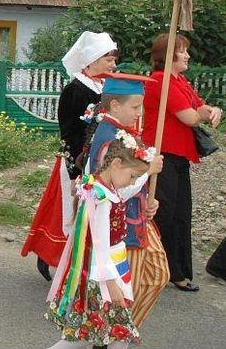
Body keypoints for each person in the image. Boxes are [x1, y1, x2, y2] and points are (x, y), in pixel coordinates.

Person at [22, 31, 117, 280]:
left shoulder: (107, 87)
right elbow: (69, 131)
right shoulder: (75, 90)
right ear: (92, 60)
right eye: (109, 59)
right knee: (67, 213)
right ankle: (52, 256)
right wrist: (80, 163)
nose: (113, 65)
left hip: (102, 161)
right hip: (78, 162)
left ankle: (85, 264)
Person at [45, 134, 153, 349]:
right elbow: (100, 246)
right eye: (132, 175)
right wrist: (112, 285)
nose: (132, 181)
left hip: (110, 270)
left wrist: (147, 173)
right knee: (105, 335)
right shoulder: (101, 198)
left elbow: (128, 190)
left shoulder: (104, 187)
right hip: (103, 276)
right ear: (116, 163)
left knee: (93, 336)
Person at [82, 73, 168, 329]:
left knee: (156, 275)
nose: (139, 112)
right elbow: (110, 190)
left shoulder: (120, 132)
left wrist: (147, 200)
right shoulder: (110, 138)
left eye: (141, 105)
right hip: (122, 227)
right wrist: (147, 173)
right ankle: (116, 332)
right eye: (135, 106)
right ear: (115, 106)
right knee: (133, 285)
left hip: (135, 217)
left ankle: (116, 330)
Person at [143, 33, 222, 293]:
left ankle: (175, 270)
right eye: (182, 51)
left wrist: (211, 110)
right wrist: (204, 113)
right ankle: (159, 268)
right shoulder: (160, 81)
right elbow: (189, 116)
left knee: (179, 214)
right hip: (162, 154)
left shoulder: (179, 80)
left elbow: (199, 106)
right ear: (167, 55)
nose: (187, 55)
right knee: (164, 213)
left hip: (178, 155)